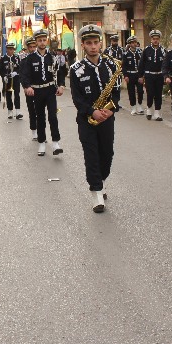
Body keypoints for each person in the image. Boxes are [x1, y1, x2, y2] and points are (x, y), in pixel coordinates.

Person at [70, 24, 121, 213]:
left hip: (107, 118)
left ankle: (101, 179)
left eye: (96, 42)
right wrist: (92, 111)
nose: (93, 46)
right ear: (83, 45)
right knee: (91, 156)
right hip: (87, 120)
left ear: (100, 44)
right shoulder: (76, 69)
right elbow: (77, 98)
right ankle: (97, 194)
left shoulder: (110, 66)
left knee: (107, 154)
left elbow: (115, 94)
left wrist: (111, 110)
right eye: (89, 43)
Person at [20, 28, 66, 157]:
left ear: (47, 41)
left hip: (50, 90)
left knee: (53, 116)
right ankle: (41, 142)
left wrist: (61, 85)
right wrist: (27, 86)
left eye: (44, 40)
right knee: (40, 117)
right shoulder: (30, 58)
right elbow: (24, 75)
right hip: (37, 91)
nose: (42, 42)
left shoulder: (52, 57)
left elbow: (60, 73)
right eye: (39, 40)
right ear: (36, 42)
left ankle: (56, 143)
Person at [141, 29, 166, 121]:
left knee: (158, 94)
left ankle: (157, 112)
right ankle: (149, 109)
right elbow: (142, 63)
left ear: (159, 39)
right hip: (149, 75)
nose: (155, 40)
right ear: (151, 39)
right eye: (153, 39)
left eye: (157, 39)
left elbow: (165, 64)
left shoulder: (163, 50)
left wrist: (166, 75)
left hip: (159, 75)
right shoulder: (147, 50)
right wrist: (141, 76)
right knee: (150, 93)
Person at [21, 36, 38, 138]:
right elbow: (22, 75)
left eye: (34, 47)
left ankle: (41, 132)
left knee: (40, 112)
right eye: (30, 47)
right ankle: (34, 131)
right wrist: (26, 87)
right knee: (32, 110)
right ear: (27, 48)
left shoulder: (41, 59)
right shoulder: (24, 60)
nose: (32, 49)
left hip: (40, 89)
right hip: (29, 89)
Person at [0, 42, 23, 120]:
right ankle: (10, 111)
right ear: (7, 49)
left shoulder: (16, 58)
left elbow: (20, 68)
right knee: (8, 96)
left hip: (15, 79)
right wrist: (3, 76)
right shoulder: (3, 58)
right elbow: (1, 70)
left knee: (17, 94)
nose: (11, 51)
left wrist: (16, 72)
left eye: (12, 49)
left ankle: (18, 111)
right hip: (7, 80)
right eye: (10, 49)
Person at [122, 35, 144, 114]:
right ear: (130, 44)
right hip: (130, 75)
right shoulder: (126, 54)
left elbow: (142, 64)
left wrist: (142, 75)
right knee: (131, 92)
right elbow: (124, 66)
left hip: (138, 74)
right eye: (132, 43)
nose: (134, 44)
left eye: (135, 42)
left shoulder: (140, 52)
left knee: (140, 91)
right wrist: (125, 76)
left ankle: (139, 105)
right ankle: (133, 107)